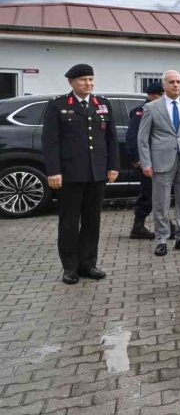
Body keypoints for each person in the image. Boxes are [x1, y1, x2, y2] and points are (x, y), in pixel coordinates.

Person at [42, 63, 119, 284]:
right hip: (70, 174)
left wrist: (112, 166)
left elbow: (111, 139)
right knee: (69, 222)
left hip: (96, 174)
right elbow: (50, 142)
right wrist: (54, 171)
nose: (88, 84)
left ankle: (88, 264)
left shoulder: (102, 104)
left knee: (91, 221)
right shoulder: (58, 106)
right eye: (83, 80)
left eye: (91, 80)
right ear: (71, 82)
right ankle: (70, 267)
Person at [137, 70, 180, 256]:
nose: (175, 85)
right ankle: (161, 239)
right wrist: (146, 163)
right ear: (164, 85)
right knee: (161, 202)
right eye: (171, 82)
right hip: (161, 161)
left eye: (178, 82)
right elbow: (143, 139)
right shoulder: (152, 107)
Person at [125, 82, 164, 239]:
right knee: (148, 193)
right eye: (161, 95)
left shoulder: (159, 109)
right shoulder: (142, 112)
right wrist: (137, 159)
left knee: (161, 194)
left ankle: (165, 224)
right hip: (147, 161)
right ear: (152, 95)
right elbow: (132, 137)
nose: (164, 98)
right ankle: (138, 227)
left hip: (159, 160)